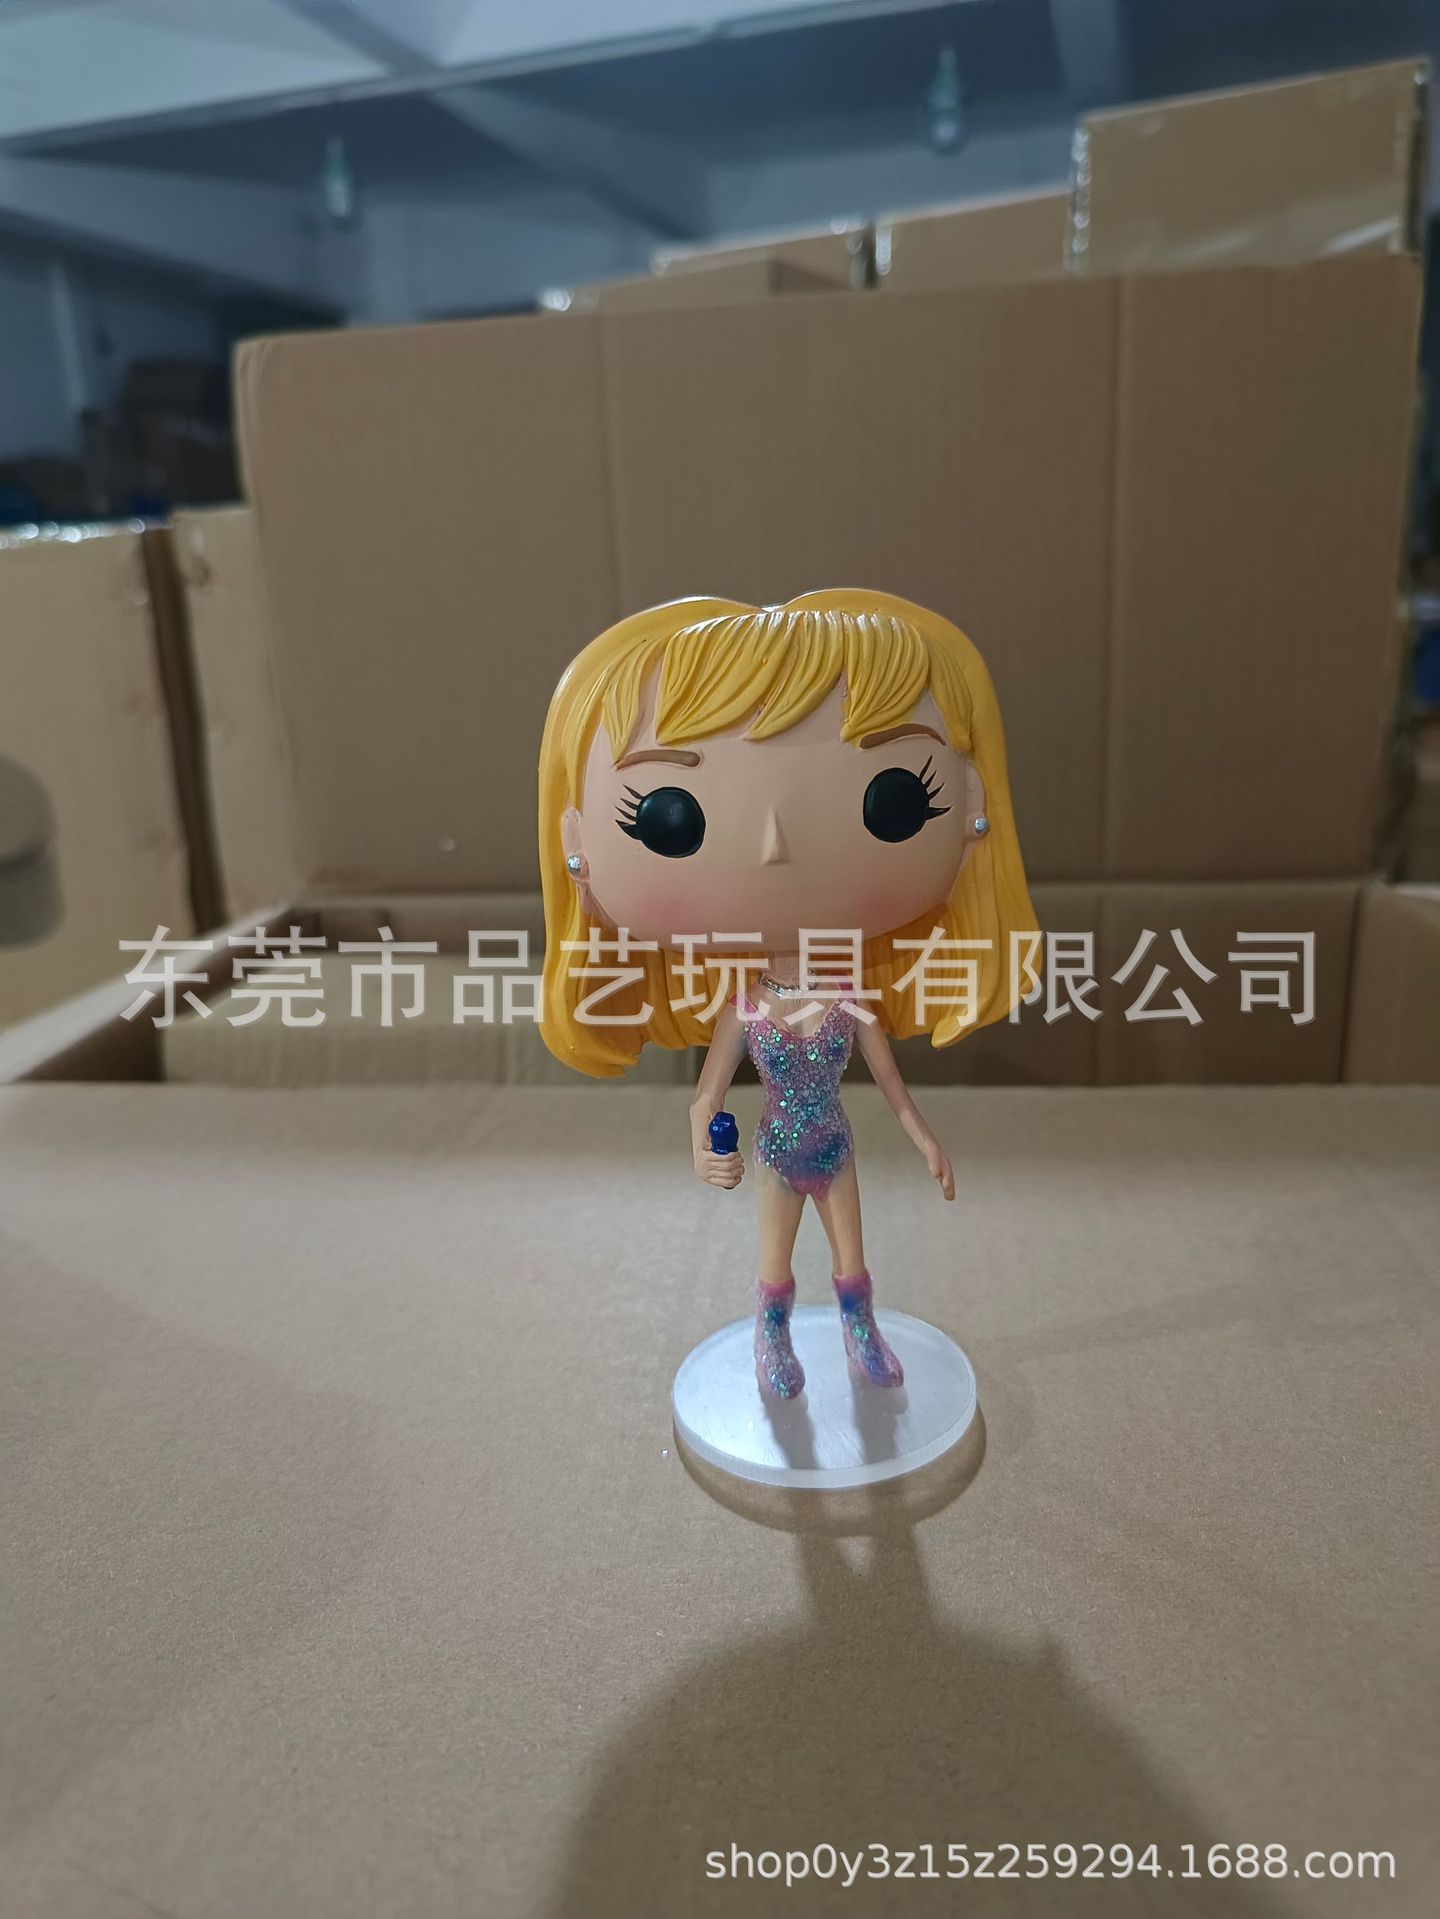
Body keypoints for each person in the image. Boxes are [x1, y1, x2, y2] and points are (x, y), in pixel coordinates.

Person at [538, 590, 1036, 1398]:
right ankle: (772, 1340)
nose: (775, 845)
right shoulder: (744, 1006)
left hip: (834, 1145)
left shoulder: (850, 1000)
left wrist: (924, 1138)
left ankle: (860, 1332)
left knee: (851, 1259)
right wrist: (706, 1144)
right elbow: (706, 1094)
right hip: (775, 1149)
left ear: (971, 805)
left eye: (896, 800)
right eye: (667, 816)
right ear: (576, 844)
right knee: (774, 1266)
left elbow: (893, 1088)